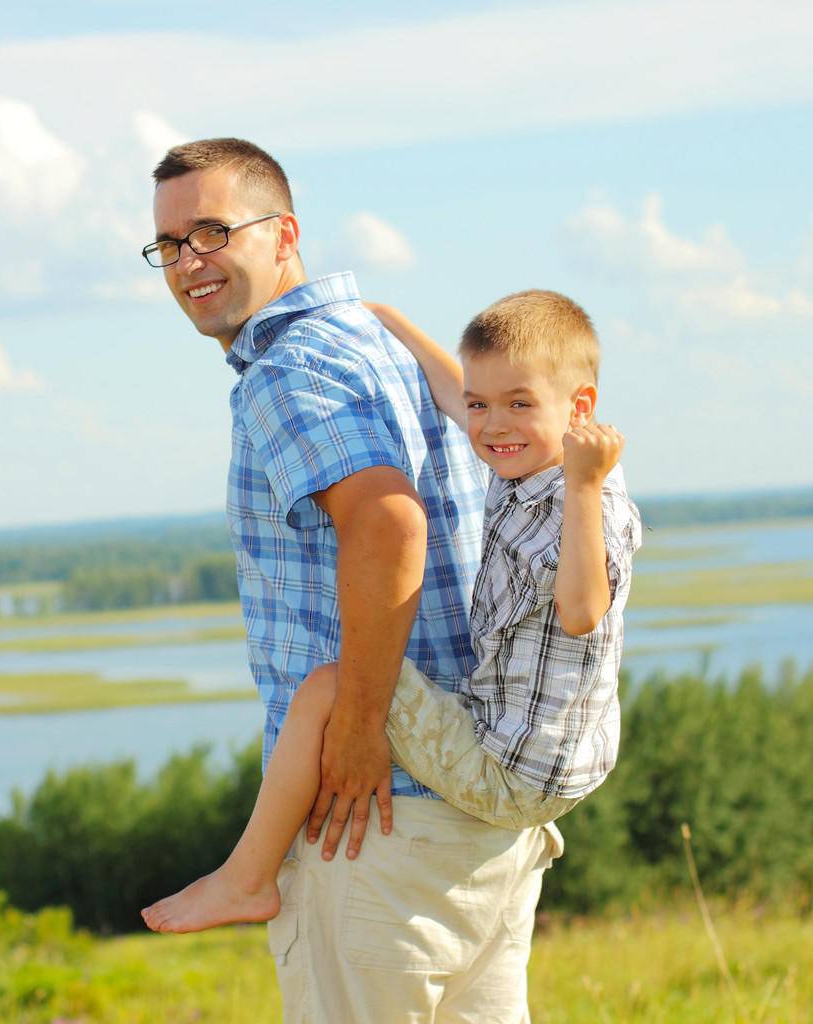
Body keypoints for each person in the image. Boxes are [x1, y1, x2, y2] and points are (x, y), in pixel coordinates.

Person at [143, 136, 561, 1024]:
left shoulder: (288, 368)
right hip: (471, 813)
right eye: (171, 245)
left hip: (372, 822)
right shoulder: (374, 341)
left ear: (283, 232)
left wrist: (363, 728)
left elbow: (387, 522)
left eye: (213, 231)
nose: (190, 262)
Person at [142, 289, 641, 942]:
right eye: (481, 406)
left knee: (329, 687)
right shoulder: (524, 456)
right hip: (552, 756)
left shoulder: (586, 500)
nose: (492, 426)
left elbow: (581, 611)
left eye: (519, 404)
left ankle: (247, 877)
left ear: (579, 409)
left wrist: (581, 485)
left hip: (515, 774)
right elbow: (456, 390)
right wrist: (391, 321)